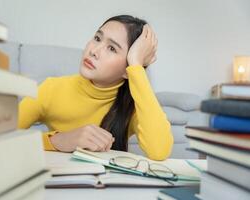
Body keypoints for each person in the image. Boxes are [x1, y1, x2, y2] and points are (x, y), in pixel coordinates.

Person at [18, 15, 173, 161]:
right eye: (97, 38)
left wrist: (136, 66)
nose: (94, 51)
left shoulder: (134, 105)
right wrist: (56, 140)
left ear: (128, 69)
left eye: (112, 48)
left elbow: (159, 151)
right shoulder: (50, 89)